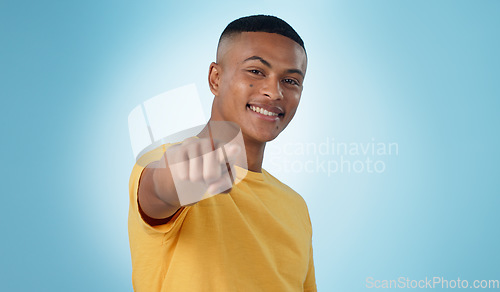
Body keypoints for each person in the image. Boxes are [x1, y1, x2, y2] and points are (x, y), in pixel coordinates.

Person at [128, 15, 317, 292]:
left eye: (290, 80)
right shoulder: (169, 163)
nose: (274, 92)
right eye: (256, 71)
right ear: (216, 78)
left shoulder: (296, 206)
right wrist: (174, 181)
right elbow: (159, 189)